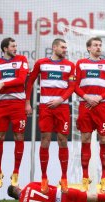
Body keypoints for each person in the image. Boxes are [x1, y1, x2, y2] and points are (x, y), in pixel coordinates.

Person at [25, 38, 75, 194]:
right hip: (46, 108)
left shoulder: (70, 65)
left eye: (66, 47)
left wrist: (61, 99)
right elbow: (30, 82)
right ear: (54, 48)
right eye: (62, 47)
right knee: (45, 140)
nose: (65, 49)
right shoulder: (41, 63)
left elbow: (72, 86)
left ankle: (64, 178)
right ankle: (44, 177)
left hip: (63, 108)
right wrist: (27, 102)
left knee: (62, 140)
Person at [0, 37, 29, 188]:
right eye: (12, 46)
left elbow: (21, 80)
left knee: (19, 136)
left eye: (16, 45)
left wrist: (2, 84)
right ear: (5, 48)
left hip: (18, 104)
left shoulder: (22, 59)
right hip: (2, 105)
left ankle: (15, 172)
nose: (15, 48)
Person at [75, 37, 105, 193]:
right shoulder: (80, 64)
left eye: (100, 45)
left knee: (104, 140)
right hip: (85, 106)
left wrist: (99, 97)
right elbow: (74, 85)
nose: (98, 47)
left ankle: (104, 179)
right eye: (95, 45)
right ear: (88, 48)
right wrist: (87, 97)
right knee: (85, 139)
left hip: (102, 106)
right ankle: (85, 178)